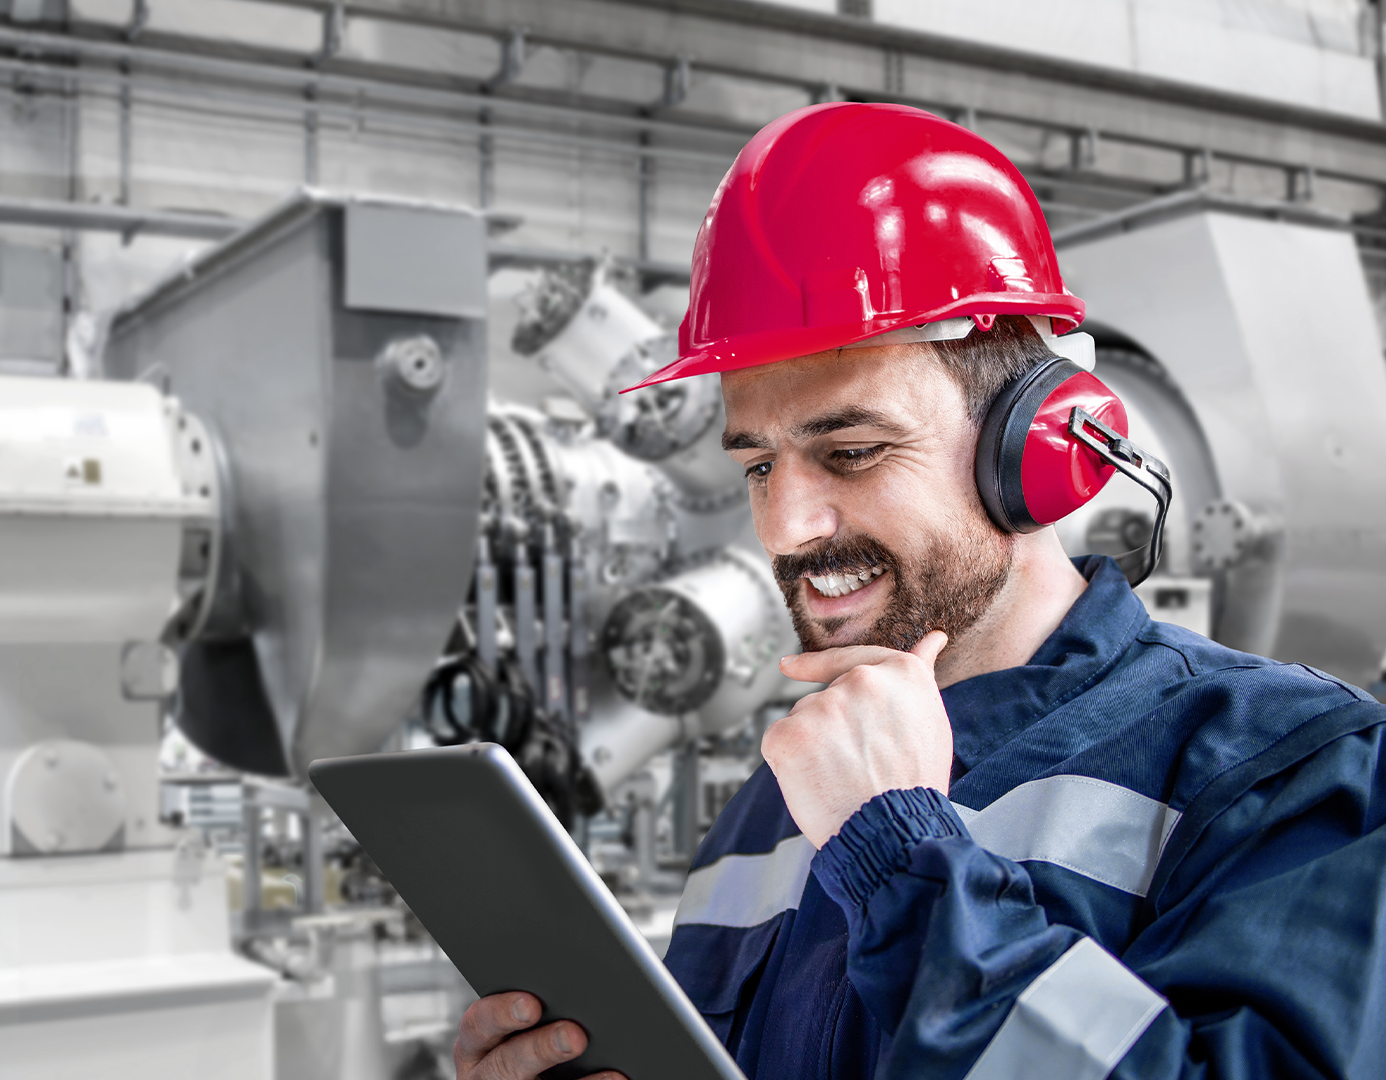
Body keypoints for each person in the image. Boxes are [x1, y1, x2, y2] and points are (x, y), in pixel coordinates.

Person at [454, 102, 1386, 1080]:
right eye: (759, 466)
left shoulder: (1294, 780)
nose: (784, 527)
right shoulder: (772, 811)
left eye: (849, 451)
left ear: (1036, 445)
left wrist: (900, 858)